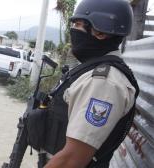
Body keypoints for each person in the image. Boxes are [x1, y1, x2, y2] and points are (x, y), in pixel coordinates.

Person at [42, 0, 139, 167]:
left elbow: (71, 160)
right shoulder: (92, 71)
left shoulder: (104, 83)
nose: (73, 30)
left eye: (78, 25)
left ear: (100, 33)